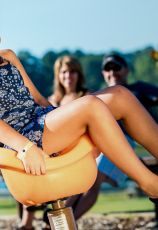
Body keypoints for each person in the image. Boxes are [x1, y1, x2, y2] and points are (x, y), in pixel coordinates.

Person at [0, 3, 158, 219]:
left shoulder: (8, 56)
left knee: (120, 95)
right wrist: (26, 147)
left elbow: (39, 100)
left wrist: (72, 126)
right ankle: (150, 185)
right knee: (92, 105)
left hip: (43, 123)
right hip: (20, 141)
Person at [64, 53, 158, 220]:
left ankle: (67, 223)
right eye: (108, 69)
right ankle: (58, 221)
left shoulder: (138, 89)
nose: (112, 72)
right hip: (96, 142)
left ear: (126, 70)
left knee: (93, 181)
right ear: (103, 74)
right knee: (81, 181)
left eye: (116, 68)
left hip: (122, 141)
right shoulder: (102, 95)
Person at [19, 55, 94, 230]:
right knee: (30, 170)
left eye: (73, 71)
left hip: (79, 151)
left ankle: (53, 222)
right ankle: (26, 224)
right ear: (58, 76)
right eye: (64, 72)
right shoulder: (51, 101)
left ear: (79, 74)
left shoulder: (88, 97)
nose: (68, 76)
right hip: (54, 153)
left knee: (71, 180)